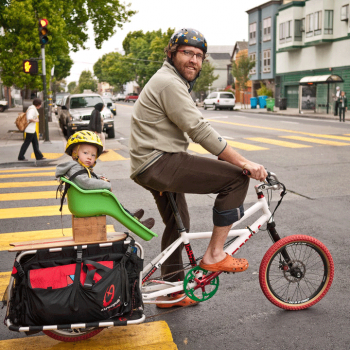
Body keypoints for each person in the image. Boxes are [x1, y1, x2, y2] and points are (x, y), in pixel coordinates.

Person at [129, 28, 267, 307]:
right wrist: (243, 162)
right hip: (158, 162)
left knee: (178, 224)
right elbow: (198, 129)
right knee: (236, 179)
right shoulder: (169, 83)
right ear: (171, 53)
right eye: (187, 53)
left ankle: (171, 290)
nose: (194, 60)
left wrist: (222, 157)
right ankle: (215, 254)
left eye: (199, 56)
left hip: (148, 164)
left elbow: (188, 126)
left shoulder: (170, 81)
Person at [56, 130, 154, 228]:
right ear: (74, 153)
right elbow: (86, 182)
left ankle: (131, 216)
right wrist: (106, 185)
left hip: (85, 201)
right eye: (85, 153)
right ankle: (137, 224)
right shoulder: (75, 168)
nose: (89, 157)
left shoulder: (78, 167)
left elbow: (87, 175)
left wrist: (99, 178)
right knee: (113, 204)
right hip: (83, 204)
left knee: (113, 203)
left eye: (93, 155)